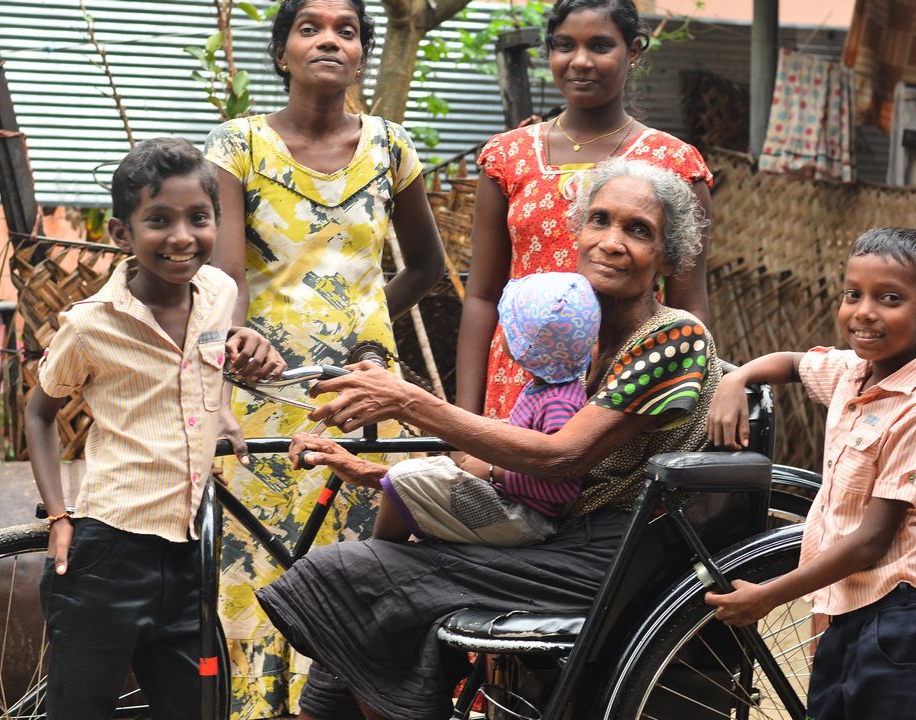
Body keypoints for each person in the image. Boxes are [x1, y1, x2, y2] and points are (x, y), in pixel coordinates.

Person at [256, 159, 721, 720]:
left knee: (351, 575)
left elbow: (561, 456)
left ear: (668, 258)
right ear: (577, 234)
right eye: (599, 221)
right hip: (551, 535)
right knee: (358, 593)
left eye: (638, 230)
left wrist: (410, 402)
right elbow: (511, 459)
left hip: (612, 556)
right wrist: (374, 472)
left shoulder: (675, 337)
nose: (611, 242)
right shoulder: (577, 337)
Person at [202, 0, 445, 712]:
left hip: (369, 396)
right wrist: (240, 337)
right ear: (282, 53)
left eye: (347, 29)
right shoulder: (238, 145)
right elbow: (224, 277)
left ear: (363, 52)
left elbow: (426, 267)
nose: (330, 39)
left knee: (365, 570)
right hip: (264, 394)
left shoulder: (390, 148)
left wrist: (361, 326)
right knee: (259, 572)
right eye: (310, 27)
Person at [23, 137, 285, 719]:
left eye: (199, 218)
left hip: (189, 553)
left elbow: (206, 361)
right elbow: (39, 412)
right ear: (122, 234)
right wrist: (59, 516)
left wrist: (220, 409)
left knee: (194, 707)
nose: (182, 237)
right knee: (81, 709)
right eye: (158, 221)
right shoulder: (91, 326)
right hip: (108, 553)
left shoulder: (220, 292)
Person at [704, 227, 916, 720]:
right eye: (853, 294)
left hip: (901, 621)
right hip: (844, 611)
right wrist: (737, 378)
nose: (864, 311)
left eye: (889, 298)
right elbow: (791, 363)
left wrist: (769, 596)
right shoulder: (852, 372)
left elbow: (872, 541)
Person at [455, 0, 715, 422]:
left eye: (599, 46)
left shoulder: (674, 163)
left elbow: (690, 306)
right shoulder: (508, 156)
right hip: (516, 378)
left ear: (633, 52)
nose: (579, 62)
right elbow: (482, 296)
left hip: (626, 380)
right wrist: (464, 422)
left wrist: (686, 407)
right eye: (564, 46)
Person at [320, 271, 601, 547]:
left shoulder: (558, 402)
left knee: (406, 480)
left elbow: (563, 486)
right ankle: (388, 548)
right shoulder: (547, 387)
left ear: (523, 347)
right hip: (511, 505)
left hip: (525, 519)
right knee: (426, 470)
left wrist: (493, 471)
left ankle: (380, 552)